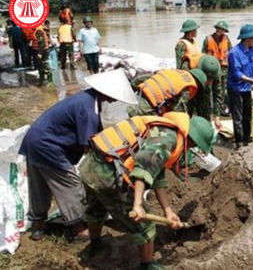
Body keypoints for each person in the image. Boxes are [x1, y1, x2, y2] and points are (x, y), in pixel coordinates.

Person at [79, 113, 214, 270]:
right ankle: (147, 265)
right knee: (146, 225)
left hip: (90, 166)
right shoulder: (168, 139)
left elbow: (158, 177)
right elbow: (143, 167)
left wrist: (168, 211)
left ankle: (95, 244)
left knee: (97, 208)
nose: (191, 149)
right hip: (106, 174)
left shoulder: (166, 127)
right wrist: (137, 205)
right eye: (193, 146)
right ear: (192, 139)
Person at [18, 69, 138, 242]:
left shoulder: (87, 98)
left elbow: (99, 135)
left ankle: (38, 226)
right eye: (115, 96)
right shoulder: (88, 109)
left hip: (33, 141)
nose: (115, 100)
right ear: (107, 92)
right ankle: (79, 230)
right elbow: (90, 145)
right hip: (48, 146)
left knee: (39, 186)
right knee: (71, 186)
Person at [227, 24, 253, 148]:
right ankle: (239, 143)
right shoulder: (234, 53)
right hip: (236, 88)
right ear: (248, 38)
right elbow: (236, 73)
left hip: (247, 88)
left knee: (248, 115)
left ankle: (247, 139)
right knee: (238, 117)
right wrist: (252, 81)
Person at [128, 68, 208, 116]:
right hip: (145, 110)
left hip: (134, 103)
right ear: (198, 85)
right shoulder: (187, 87)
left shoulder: (173, 72)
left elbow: (140, 79)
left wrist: (130, 91)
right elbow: (178, 113)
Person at [202, 20, 233, 116]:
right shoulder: (207, 39)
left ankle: (220, 108)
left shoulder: (226, 40)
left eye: (222, 29)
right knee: (209, 89)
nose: (220, 31)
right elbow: (203, 54)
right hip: (211, 69)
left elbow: (231, 53)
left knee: (222, 90)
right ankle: (209, 108)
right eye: (219, 29)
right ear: (216, 29)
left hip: (224, 69)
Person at [186, 56, 223, 129]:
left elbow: (217, 94)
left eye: (211, 80)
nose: (209, 82)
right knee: (185, 121)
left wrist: (217, 117)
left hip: (204, 93)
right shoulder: (188, 67)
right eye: (207, 79)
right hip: (189, 91)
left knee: (205, 123)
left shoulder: (215, 71)